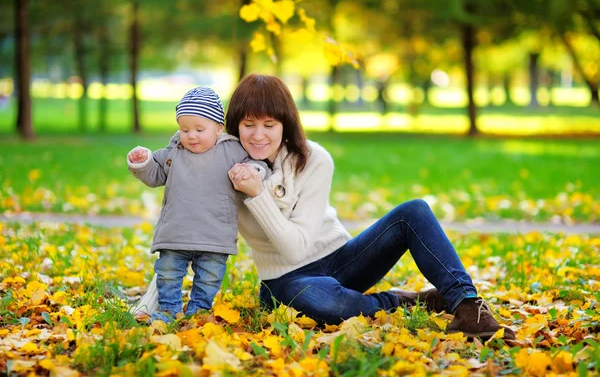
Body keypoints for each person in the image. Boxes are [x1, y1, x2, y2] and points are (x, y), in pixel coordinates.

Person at [135, 74, 516, 340]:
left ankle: (468, 306)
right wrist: (152, 303)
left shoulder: (314, 158)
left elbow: (301, 242)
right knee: (320, 300)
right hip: (286, 279)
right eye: (249, 124)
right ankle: (398, 302)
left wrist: (258, 194)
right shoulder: (220, 165)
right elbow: (184, 231)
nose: (258, 135)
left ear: (285, 124)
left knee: (414, 211)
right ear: (232, 126)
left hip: (342, 259)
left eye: (269, 124)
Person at [127, 86, 267, 322]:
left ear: (218, 129)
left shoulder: (232, 150)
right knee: (168, 274)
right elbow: (156, 174)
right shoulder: (175, 152)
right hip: (175, 233)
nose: (191, 136)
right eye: (184, 129)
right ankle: (168, 309)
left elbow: (258, 164)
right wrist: (143, 163)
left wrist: (252, 171)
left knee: (210, 277)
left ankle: (199, 311)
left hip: (214, 235)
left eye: (200, 129)